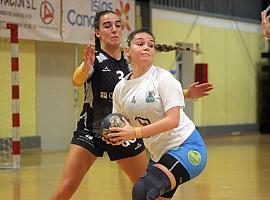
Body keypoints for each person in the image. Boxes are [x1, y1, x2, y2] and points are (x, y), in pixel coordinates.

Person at [50, 10, 212, 200]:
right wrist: (85, 67)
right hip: (92, 130)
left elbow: (149, 96)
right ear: (97, 32)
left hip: (124, 130)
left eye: (118, 25)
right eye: (107, 26)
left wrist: (185, 93)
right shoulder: (95, 58)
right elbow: (77, 80)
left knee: (147, 189)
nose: (114, 30)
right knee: (66, 187)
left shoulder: (132, 65)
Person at [107, 28, 207, 200]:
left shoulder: (163, 78)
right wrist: (114, 134)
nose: (146, 47)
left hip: (186, 147)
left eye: (150, 45)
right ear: (128, 51)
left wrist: (135, 132)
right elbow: (119, 122)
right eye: (140, 44)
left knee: (142, 191)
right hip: (159, 155)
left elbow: (173, 121)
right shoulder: (120, 88)